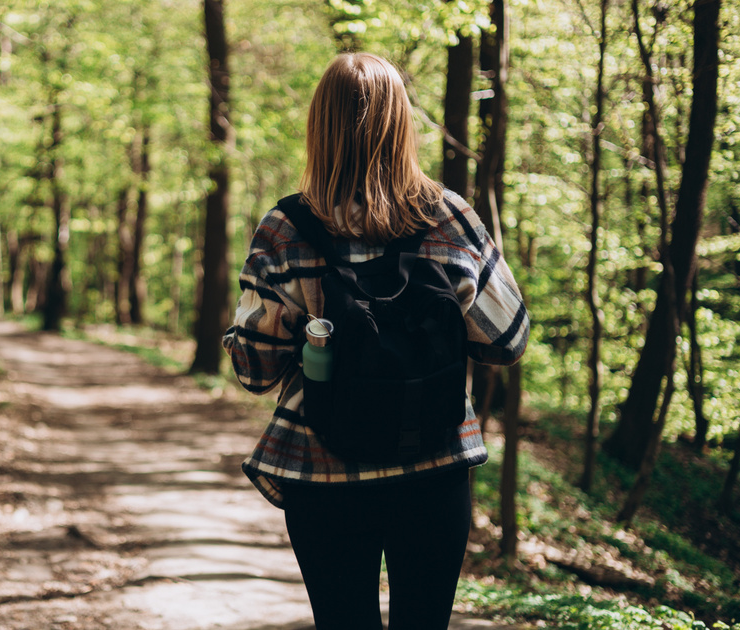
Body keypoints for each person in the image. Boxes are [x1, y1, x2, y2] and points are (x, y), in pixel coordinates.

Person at [221, 52, 529, 629]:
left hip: (322, 470)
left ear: (320, 127)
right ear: (401, 124)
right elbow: (508, 340)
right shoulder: (449, 218)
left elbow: (255, 371)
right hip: (435, 466)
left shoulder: (285, 229)